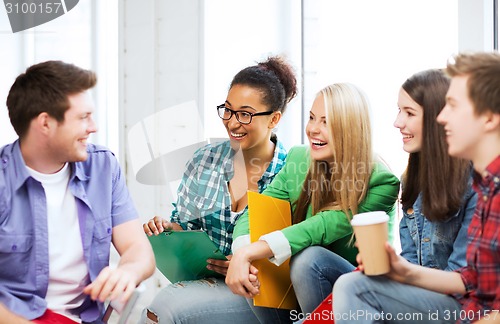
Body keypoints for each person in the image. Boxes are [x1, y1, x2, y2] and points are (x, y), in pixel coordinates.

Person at [333, 51, 500, 324]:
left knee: (353, 288)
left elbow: (473, 289)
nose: (443, 117)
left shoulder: (480, 187)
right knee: (336, 274)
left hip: (454, 308)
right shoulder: (484, 186)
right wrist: (400, 271)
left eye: (453, 107)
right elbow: (474, 279)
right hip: (448, 303)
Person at [226, 83, 400, 322]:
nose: (313, 129)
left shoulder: (380, 181)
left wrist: (249, 252)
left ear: (351, 129)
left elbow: (320, 227)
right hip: (300, 291)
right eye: (311, 118)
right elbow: (256, 212)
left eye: (327, 122)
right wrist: (242, 251)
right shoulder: (299, 159)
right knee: (259, 259)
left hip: (359, 293)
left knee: (309, 259)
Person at [142, 56, 298, 323]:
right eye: (227, 110)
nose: (232, 122)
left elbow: (299, 251)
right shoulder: (204, 161)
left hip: (260, 296)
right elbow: (185, 226)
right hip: (206, 283)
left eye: (245, 114)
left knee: (166, 306)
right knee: (162, 306)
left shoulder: (292, 172)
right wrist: (169, 231)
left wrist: (245, 261)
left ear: (274, 119)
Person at [0, 60, 155, 323]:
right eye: (83, 117)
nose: (93, 126)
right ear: (45, 124)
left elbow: (140, 251)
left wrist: (127, 271)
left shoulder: (103, 167)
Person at [395, 69, 477, 271]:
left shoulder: (476, 183)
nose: (397, 122)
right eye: (399, 110)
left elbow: (462, 276)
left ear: (439, 119)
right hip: (420, 291)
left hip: (455, 298)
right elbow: (410, 261)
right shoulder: (410, 180)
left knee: (355, 286)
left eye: (409, 113)